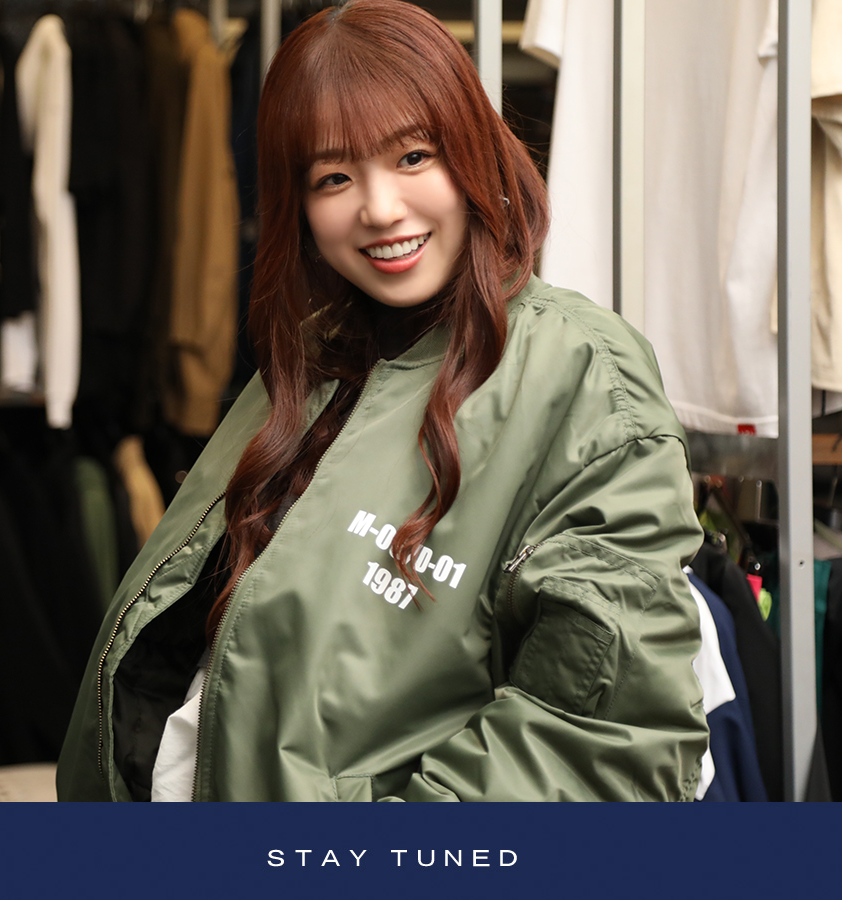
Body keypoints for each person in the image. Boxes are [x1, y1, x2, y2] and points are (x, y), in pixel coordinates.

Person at [57, 0, 708, 802]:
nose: (379, 208)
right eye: (334, 177)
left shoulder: (581, 373)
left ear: (471, 151)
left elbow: (603, 740)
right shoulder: (316, 356)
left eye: (412, 157)